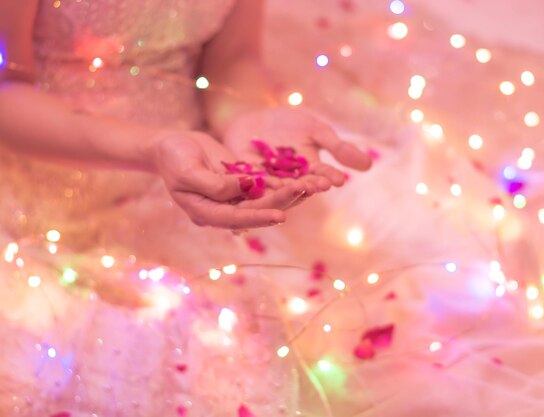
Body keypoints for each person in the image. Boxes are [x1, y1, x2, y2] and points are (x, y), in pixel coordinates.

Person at [0, 0, 370, 415]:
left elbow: (233, 59)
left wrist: (246, 119)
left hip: (186, 169)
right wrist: (151, 148)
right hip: (47, 190)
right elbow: (6, 88)